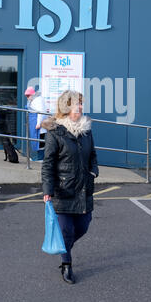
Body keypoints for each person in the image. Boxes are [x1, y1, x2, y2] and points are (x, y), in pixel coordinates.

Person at [41, 90, 99, 284]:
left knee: (83, 226)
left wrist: (93, 172)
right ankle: (66, 264)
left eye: (81, 104)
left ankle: (63, 247)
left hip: (84, 189)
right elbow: (48, 164)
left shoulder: (86, 130)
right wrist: (47, 190)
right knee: (66, 230)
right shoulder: (55, 132)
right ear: (66, 107)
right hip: (63, 190)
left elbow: (93, 156)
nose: (80, 107)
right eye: (77, 104)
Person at [25, 86, 47, 161]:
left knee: (39, 141)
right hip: (34, 123)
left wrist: (38, 123)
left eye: (28, 95)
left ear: (32, 94)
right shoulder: (34, 100)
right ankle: (37, 157)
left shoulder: (38, 100)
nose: (27, 97)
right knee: (35, 140)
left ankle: (40, 158)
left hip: (38, 124)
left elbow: (41, 113)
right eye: (26, 96)